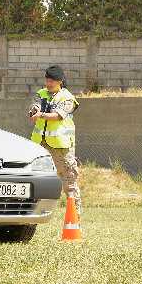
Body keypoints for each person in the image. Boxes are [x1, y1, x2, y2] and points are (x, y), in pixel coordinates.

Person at [28, 65, 82, 215]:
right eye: (47, 80)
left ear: (60, 81)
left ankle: (74, 217)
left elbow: (58, 115)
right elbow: (35, 105)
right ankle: (30, 213)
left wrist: (41, 115)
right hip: (39, 144)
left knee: (69, 180)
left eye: (52, 80)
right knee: (33, 177)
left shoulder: (68, 98)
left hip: (61, 146)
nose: (48, 83)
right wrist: (34, 111)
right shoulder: (41, 93)